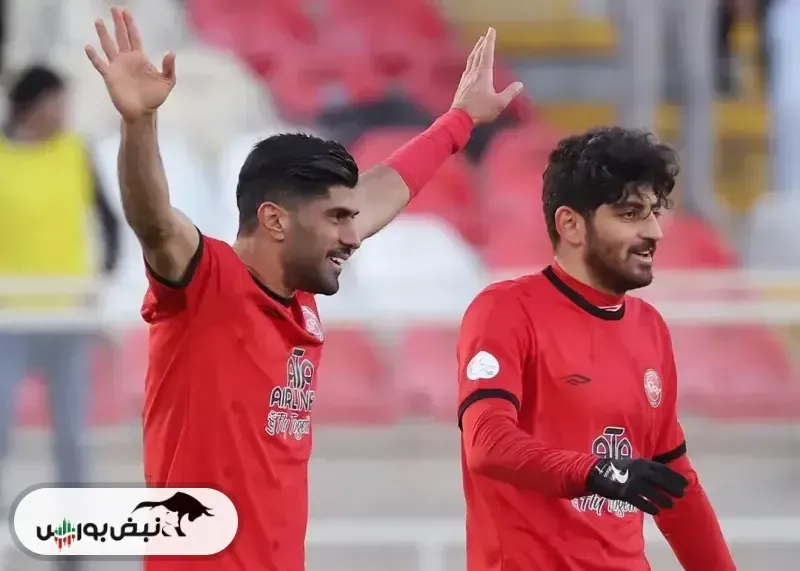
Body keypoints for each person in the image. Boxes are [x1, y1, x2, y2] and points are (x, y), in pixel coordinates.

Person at [84, 6, 522, 571]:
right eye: (336, 219)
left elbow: (383, 190)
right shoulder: (206, 283)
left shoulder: (301, 292)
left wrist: (460, 120)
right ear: (275, 220)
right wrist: (139, 123)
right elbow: (154, 221)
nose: (353, 235)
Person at [456, 127, 736, 570]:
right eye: (630, 214)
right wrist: (598, 472)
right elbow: (487, 444)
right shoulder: (505, 311)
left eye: (654, 213)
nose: (654, 232)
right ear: (570, 224)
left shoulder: (650, 327)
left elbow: (674, 483)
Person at [0, 64, 119, 560]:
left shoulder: (76, 152)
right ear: (31, 105)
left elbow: (108, 224)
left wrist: (100, 283)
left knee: (72, 437)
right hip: (8, 320)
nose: (64, 113)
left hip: (68, 318)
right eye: (56, 102)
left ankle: (71, 544)